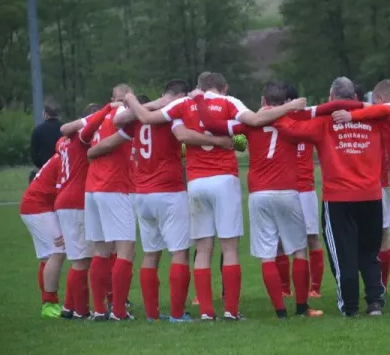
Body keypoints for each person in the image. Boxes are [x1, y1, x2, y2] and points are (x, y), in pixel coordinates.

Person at [119, 72, 296, 321]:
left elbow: (149, 119)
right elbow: (253, 123)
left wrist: (130, 99)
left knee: (203, 249)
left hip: (196, 181)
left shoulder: (184, 104)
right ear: (224, 87)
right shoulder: (229, 102)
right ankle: (231, 311)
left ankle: (205, 311)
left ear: (199, 88)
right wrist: (231, 140)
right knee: (230, 247)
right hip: (223, 178)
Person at [278, 77, 390, 317]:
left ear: (331, 98)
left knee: (343, 256)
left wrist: (281, 109)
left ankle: (349, 307)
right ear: (356, 98)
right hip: (371, 197)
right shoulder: (374, 118)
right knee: (369, 255)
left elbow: (287, 126)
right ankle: (375, 303)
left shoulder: (324, 122)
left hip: (338, 199)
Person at [196, 81, 323, 319]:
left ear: (263, 101)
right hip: (287, 190)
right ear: (285, 102)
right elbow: (317, 124)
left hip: (258, 193)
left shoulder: (249, 123)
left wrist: (200, 100)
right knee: (298, 250)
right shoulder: (291, 120)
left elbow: (211, 124)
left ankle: (280, 310)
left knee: (267, 253)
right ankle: (302, 306)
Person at [115, 81, 232, 322]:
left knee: (150, 254)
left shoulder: (138, 117)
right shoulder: (171, 114)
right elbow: (183, 135)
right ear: (179, 96)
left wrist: (137, 102)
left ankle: (151, 314)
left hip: (142, 193)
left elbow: (119, 121)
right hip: (168, 191)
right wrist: (219, 141)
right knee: (179, 253)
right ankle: (178, 314)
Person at [82, 83, 138, 321]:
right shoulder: (119, 114)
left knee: (101, 250)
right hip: (113, 186)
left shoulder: (97, 117)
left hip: (92, 187)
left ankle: (99, 309)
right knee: (126, 249)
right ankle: (118, 311)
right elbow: (130, 115)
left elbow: (77, 132)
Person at [55, 103, 111, 319]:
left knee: (78, 256)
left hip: (64, 198)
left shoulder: (62, 142)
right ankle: (81, 310)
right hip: (76, 200)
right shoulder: (81, 138)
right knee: (81, 260)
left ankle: (69, 306)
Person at [274, 84, 325, 298]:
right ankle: (285, 288)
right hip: (283, 188)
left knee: (311, 237)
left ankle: (314, 288)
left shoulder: (308, 118)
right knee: (280, 241)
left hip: (305, 188)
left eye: (288, 101)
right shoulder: (275, 121)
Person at [19, 151, 65, 318]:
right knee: (58, 252)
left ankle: (48, 303)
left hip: (34, 205)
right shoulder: (70, 156)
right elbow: (64, 192)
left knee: (48, 256)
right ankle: (49, 303)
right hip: (38, 206)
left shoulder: (63, 153)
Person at [30, 96, 63, 183]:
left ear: (45, 114)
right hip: (63, 171)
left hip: (45, 171)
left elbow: (34, 156)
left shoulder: (38, 131)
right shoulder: (65, 129)